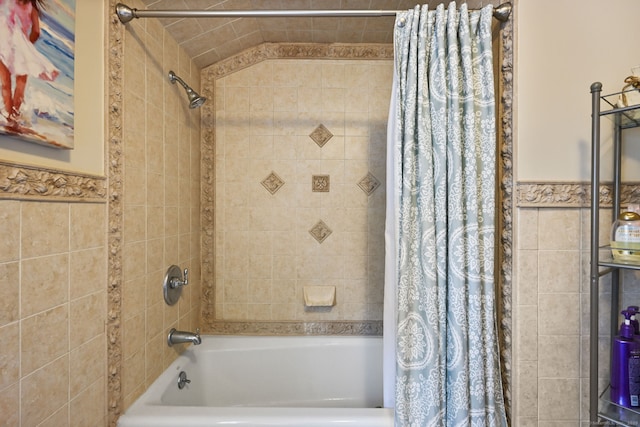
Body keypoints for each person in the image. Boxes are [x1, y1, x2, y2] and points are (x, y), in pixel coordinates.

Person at [0, 0, 58, 127]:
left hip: (2, 44)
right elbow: (36, 32)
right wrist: (27, 47)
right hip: (21, 48)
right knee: (20, 84)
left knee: (6, 83)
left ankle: (8, 117)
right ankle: (13, 117)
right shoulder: (32, 8)